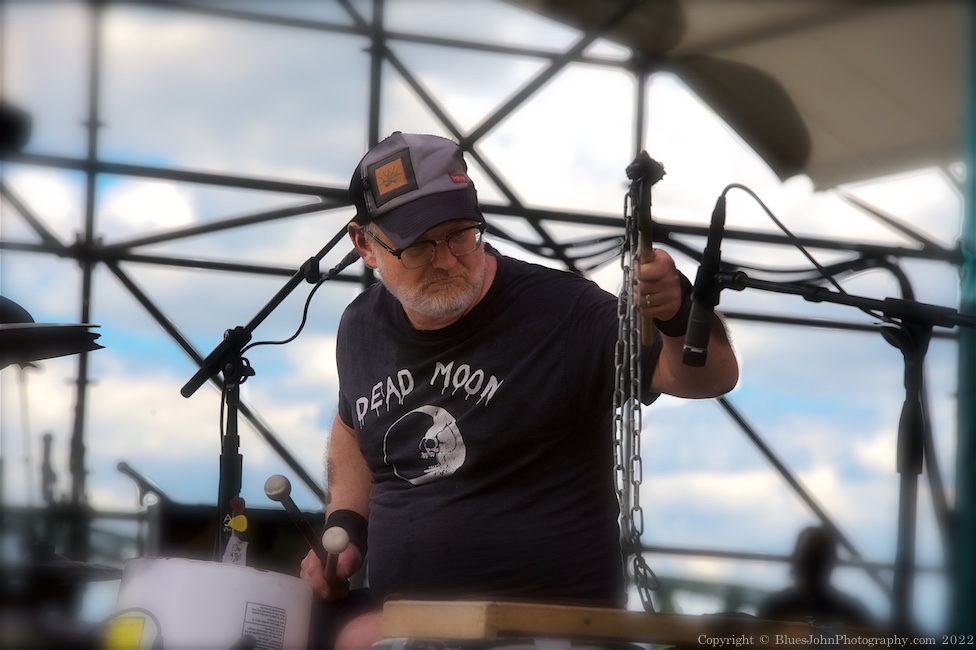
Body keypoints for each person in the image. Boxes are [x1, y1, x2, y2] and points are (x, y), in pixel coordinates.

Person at [300, 132, 739, 649]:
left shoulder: (565, 313)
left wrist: (676, 310)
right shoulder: (360, 326)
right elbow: (354, 427)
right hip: (407, 627)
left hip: (550, 632)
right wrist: (347, 528)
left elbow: (707, 376)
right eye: (419, 246)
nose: (445, 260)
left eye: (461, 235)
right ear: (364, 246)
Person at [758, 526, 873, 627]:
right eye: (811, 555)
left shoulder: (775, 606)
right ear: (833, 562)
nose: (813, 563)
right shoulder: (851, 610)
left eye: (817, 557)